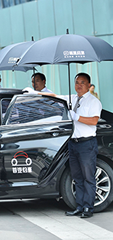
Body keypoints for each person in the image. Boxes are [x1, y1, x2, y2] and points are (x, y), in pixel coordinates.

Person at [30, 73, 102, 218]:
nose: (79, 85)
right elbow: (54, 96)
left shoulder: (93, 102)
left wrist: (77, 117)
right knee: (77, 177)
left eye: (82, 82)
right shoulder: (73, 98)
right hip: (73, 143)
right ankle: (80, 206)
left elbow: (94, 121)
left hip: (87, 143)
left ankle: (88, 207)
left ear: (88, 85)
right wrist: (34, 93)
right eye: (76, 82)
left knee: (88, 177)